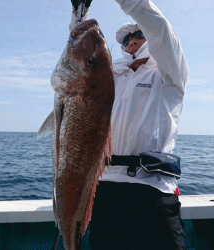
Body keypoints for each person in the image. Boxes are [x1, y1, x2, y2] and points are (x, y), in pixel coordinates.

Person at [70, 0, 188, 249]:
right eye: (126, 39)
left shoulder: (168, 74)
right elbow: (79, 58)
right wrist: (79, 14)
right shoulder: (110, 77)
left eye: (139, 34)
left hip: (153, 190)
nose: (131, 40)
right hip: (105, 189)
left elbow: (161, 30)